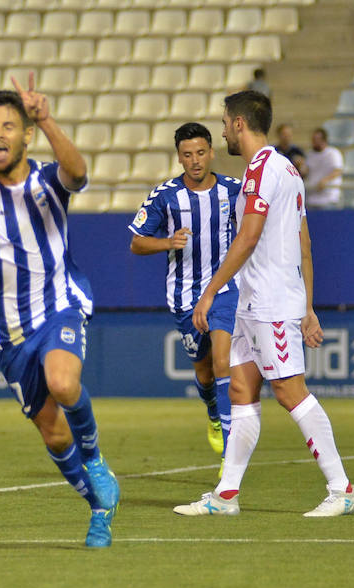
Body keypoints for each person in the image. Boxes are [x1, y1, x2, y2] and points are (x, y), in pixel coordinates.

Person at [0, 73, 120, 548]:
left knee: (63, 382)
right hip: (9, 333)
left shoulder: (45, 178)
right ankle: (99, 507)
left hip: (58, 305)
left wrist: (48, 118)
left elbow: (78, 174)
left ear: (26, 135)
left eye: (8, 126)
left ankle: (97, 458)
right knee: (52, 434)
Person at [173, 90, 354, 518]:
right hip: (253, 301)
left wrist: (209, 291)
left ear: (239, 123)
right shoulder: (288, 170)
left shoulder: (260, 172)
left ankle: (342, 488)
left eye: (224, 122)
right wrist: (309, 307)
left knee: (291, 393)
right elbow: (304, 243)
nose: (222, 130)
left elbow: (249, 236)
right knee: (240, 390)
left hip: (271, 302)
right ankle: (226, 495)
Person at [129, 122, 242, 474]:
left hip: (224, 290)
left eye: (201, 152)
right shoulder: (165, 196)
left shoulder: (234, 190)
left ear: (211, 152)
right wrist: (167, 242)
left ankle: (229, 455)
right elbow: (136, 242)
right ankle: (212, 412)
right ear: (179, 157)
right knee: (205, 371)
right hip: (184, 298)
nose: (195, 160)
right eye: (187, 154)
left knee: (224, 364)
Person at [305, 127, 343, 208]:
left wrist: (325, 180)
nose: (314, 141)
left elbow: (337, 171)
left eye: (316, 139)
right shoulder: (309, 154)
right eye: (313, 139)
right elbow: (307, 171)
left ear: (323, 140)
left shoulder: (333, 153)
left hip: (328, 197)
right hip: (312, 198)